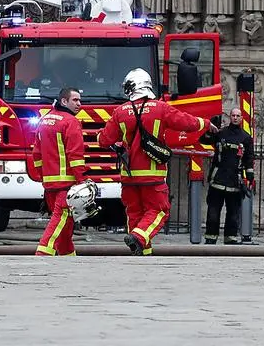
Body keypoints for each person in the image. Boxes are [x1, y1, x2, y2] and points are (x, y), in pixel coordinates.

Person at [98, 68, 216, 255]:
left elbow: (104, 140)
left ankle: (142, 252)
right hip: (152, 174)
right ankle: (139, 237)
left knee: (134, 213)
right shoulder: (160, 108)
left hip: (128, 176)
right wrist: (206, 123)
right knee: (159, 210)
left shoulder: (120, 112)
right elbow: (185, 122)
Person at [28, 87, 86, 256]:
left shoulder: (45, 120)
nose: (79, 104)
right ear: (63, 101)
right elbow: (75, 156)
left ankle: (69, 258)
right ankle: (43, 253)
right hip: (66, 184)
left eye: (79, 100)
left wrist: (42, 176)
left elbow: (36, 154)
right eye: (75, 100)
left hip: (50, 184)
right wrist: (82, 180)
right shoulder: (70, 122)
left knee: (66, 227)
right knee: (60, 219)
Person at [200, 108, 255, 244]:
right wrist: (210, 129)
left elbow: (249, 158)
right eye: (233, 115)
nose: (235, 118)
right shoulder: (220, 133)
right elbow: (204, 141)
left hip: (234, 180)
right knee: (213, 211)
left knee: (233, 212)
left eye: (238, 116)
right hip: (218, 178)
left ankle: (230, 238)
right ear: (230, 117)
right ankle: (210, 238)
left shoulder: (246, 138)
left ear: (241, 118)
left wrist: (249, 176)